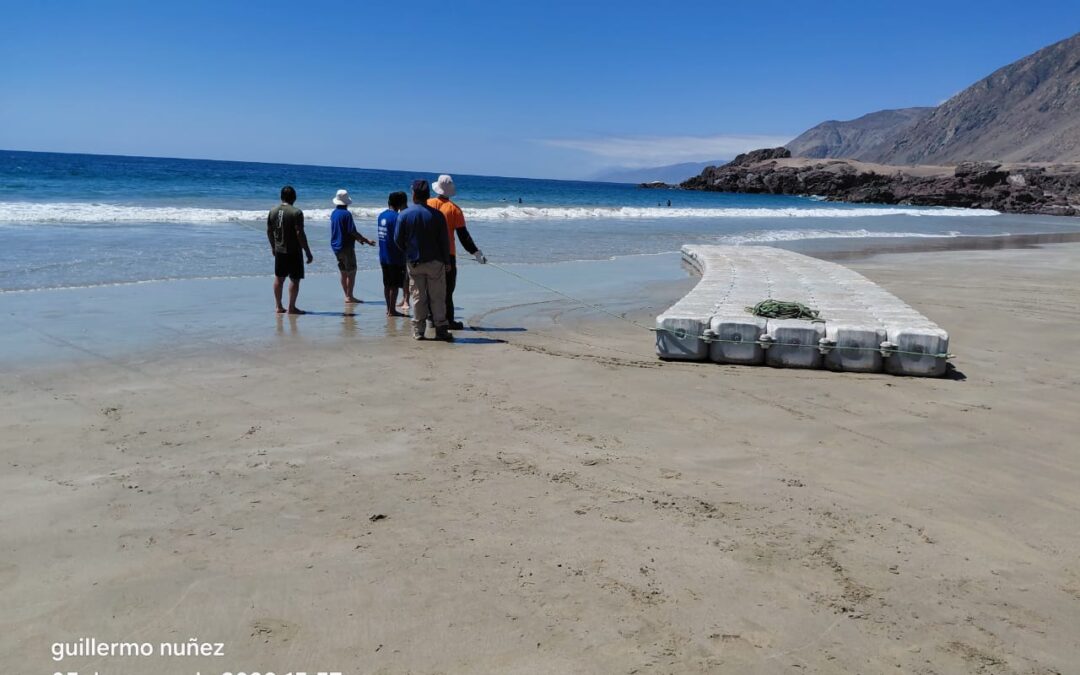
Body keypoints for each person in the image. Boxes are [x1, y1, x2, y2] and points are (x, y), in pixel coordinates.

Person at [427, 174, 487, 330]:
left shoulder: (427, 203)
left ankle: (431, 318)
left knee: (431, 287)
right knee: (447, 290)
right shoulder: (454, 210)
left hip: (428, 253)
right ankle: (448, 320)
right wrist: (476, 253)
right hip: (448, 254)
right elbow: (463, 236)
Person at [395, 180, 452, 341]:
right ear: (428, 195)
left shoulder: (405, 215)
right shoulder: (437, 215)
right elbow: (444, 241)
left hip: (414, 262)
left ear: (413, 195)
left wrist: (407, 252)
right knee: (438, 297)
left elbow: (398, 240)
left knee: (418, 297)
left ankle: (418, 330)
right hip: (435, 261)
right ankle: (440, 328)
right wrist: (447, 261)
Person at [267, 185, 313, 314]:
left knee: (279, 278)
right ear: (294, 197)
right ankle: (291, 307)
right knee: (295, 279)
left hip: (279, 250)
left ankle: (278, 306)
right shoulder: (296, 212)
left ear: (281, 197)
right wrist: (307, 252)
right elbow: (300, 233)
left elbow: (269, 231)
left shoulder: (273, 211)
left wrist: (273, 246)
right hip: (293, 250)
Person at [329, 189, 375, 304]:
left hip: (336, 246)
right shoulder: (347, 214)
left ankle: (347, 295)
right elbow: (352, 231)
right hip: (346, 247)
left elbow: (343, 230)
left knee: (343, 272)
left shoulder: (334, 213)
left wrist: (358, 240)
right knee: (352, 271)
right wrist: (365, 240)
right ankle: (349, 296)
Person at [377, 191, 409, 317]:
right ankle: (392, 310)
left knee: (387, 284)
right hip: (395, 256)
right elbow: (400, 237)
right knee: (394, 286)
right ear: (401, 204)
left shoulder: (381, 215)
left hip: (383, 254)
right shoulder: (397, 218)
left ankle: (388, 308)